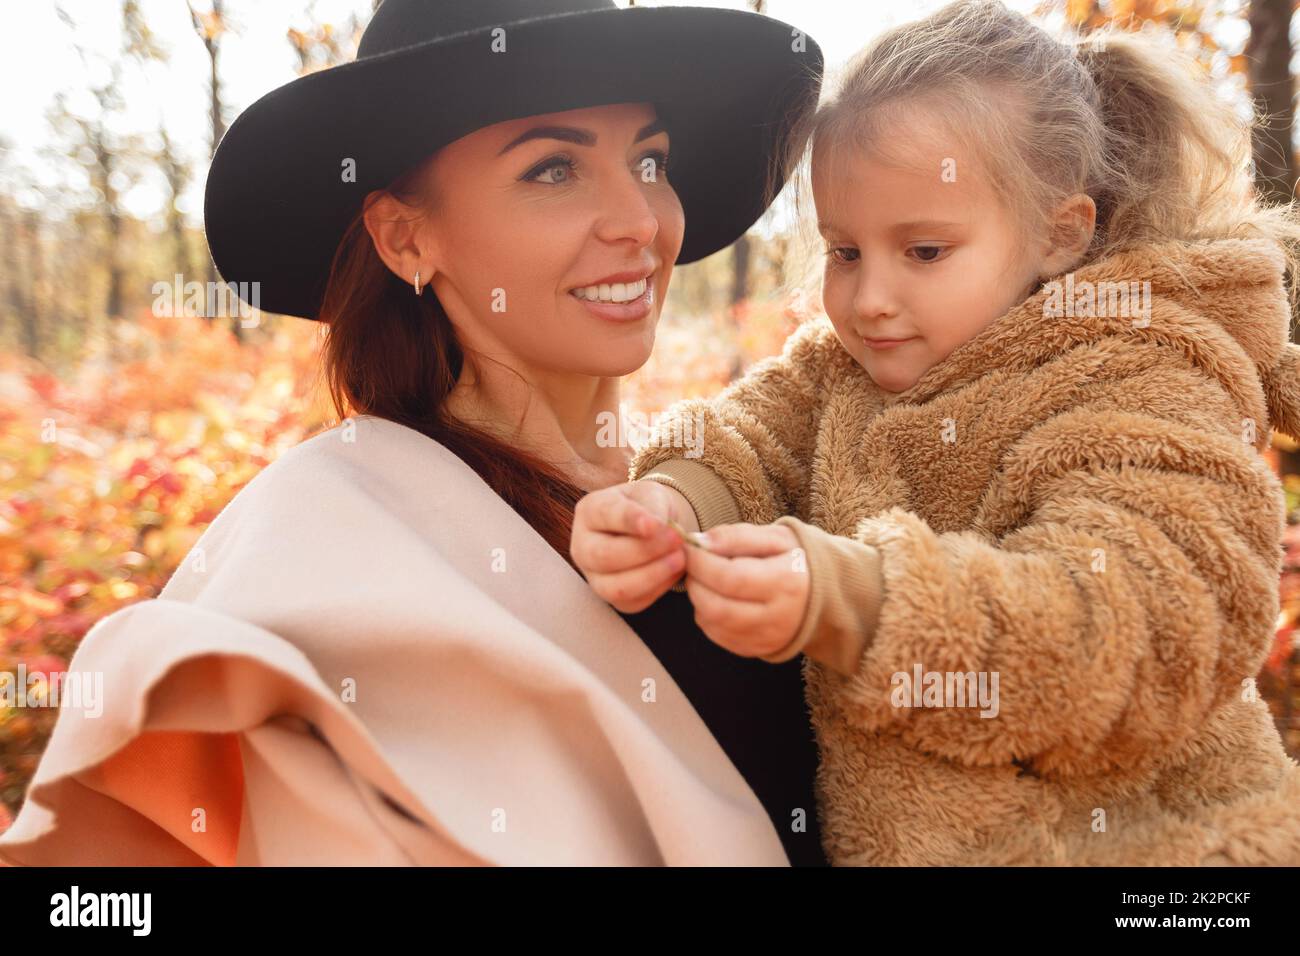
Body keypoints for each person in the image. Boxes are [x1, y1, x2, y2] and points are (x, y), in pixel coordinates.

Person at [0, 0, 826, 866]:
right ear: (405, 238)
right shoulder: (321, 532)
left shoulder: (729, 474)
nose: (641, 221)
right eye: (554, 170)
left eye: (649, 160)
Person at [571, 0, 1300, 864]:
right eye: (845, 252)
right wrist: (671, 502)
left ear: (1059, 234)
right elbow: (751, 435)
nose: (870, 297)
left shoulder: (1140, 374)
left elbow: (1137, 624)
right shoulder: (844, 367)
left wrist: (863, 602)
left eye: (923, 253)